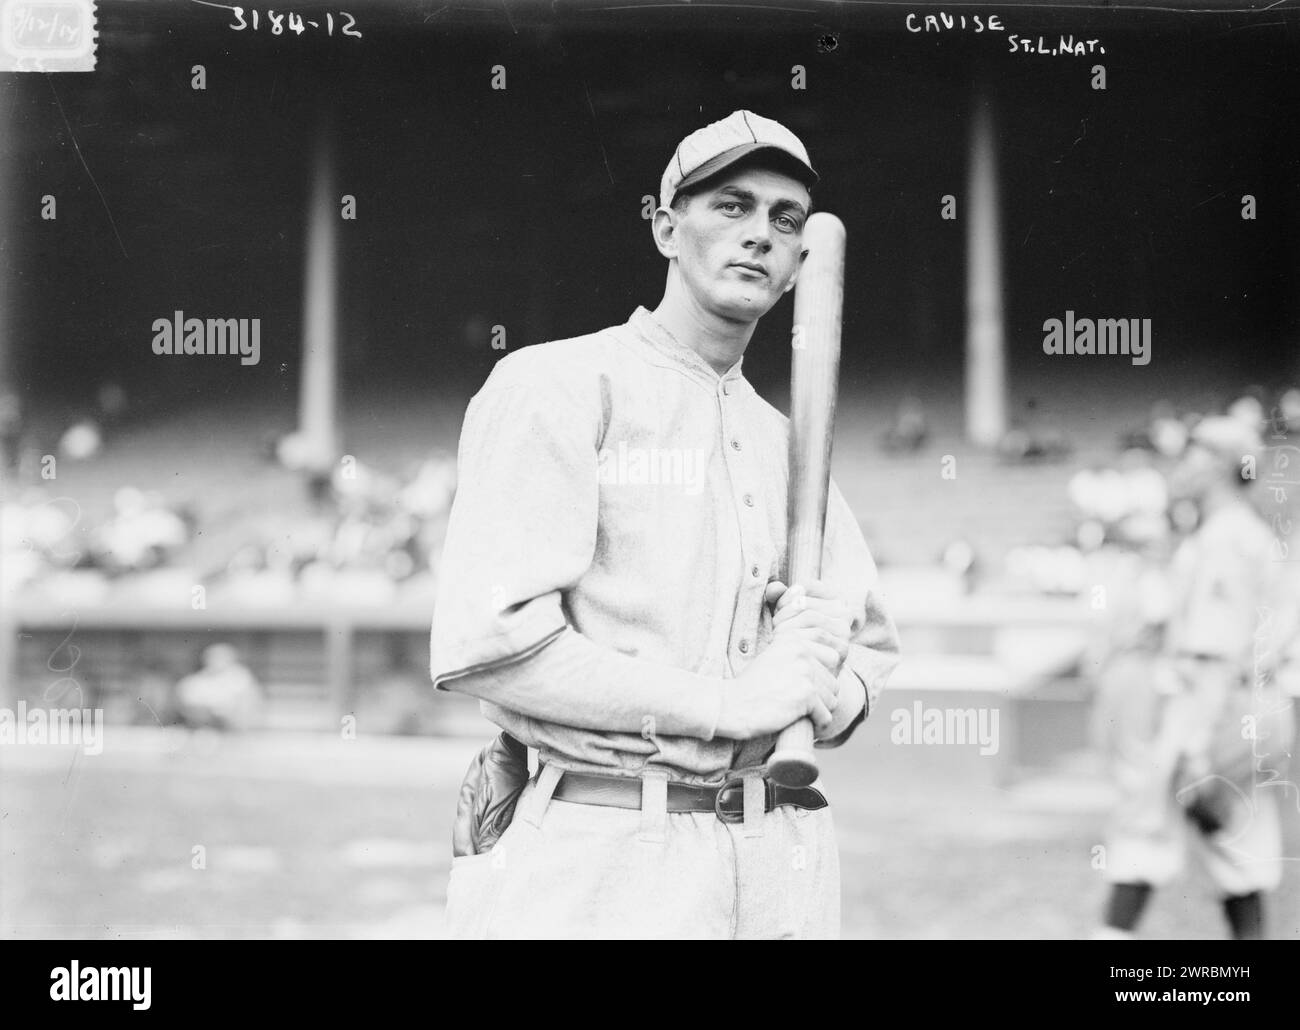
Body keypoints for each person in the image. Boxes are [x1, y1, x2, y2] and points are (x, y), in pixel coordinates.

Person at [430, 110, 900, 939]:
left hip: (783, 850)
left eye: (784, 221)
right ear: (664, 227)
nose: (759, 233)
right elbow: (492, 645)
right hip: (607, 849)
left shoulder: (789, 442)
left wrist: (825, 684)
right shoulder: (558, 386)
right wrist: (734, 702)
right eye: (730, 205)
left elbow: (871, 648)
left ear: (799, 267)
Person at [1095, 416, 1297, 940]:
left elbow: (1214, 655)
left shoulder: (1225, 539)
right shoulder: (1240, 532)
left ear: (1217, 465)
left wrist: (1195, 748)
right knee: (1236, 844)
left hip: (1217, 709)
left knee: (1146, 830)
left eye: (1193, 454)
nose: (1183, 465)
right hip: (1253, 710)